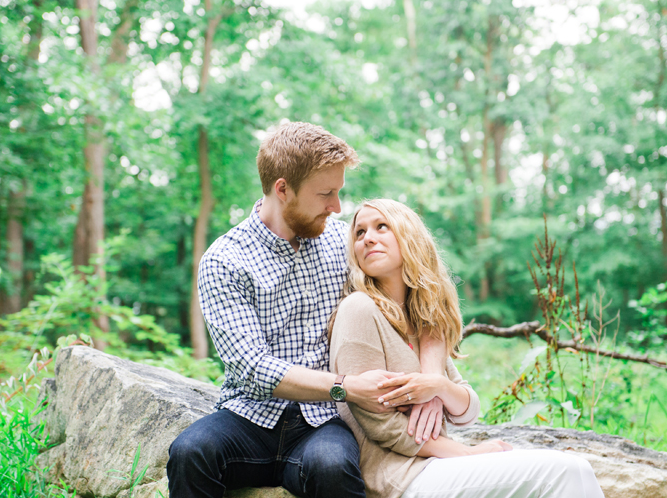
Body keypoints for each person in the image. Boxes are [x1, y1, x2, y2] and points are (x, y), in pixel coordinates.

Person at [166, 123, 444, 498]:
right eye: (326, 194)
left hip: (323, 423)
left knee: (332, 466)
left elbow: (421, 295)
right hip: (249, 418)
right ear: (283, 189)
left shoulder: (343, 243)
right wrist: (346, 388)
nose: (337, 207)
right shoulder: (224, 260)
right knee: (189, 453)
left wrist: (432, 383)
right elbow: (253, 367)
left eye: (338, 193)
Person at [329, 199, 606, 498]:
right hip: (402, 477)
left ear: (409, 235)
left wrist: (437, 386)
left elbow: (467, 411)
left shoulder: (421, 321)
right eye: (359, 233)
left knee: (571, 470)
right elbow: (381, 425)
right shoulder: (358, 309)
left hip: (437, 467)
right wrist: (467, 453)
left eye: (381, 226)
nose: (368, 238)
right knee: (567, 471)